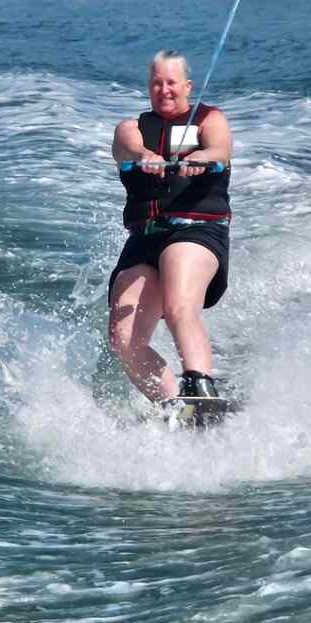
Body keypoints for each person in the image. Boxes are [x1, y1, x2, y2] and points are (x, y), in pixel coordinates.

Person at [107, 50, 233, 406]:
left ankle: (201, 385)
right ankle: (174, 403)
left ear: (187, 86)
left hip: (196, 231)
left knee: (179, 302)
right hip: (145, 237)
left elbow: (220, 150)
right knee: (123, 335)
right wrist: (144, 156)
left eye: (171, 82)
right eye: (157, 83)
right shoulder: (132, 129)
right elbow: (126, 147)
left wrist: (200, 158)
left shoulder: (209, 120)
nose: (164, 89)